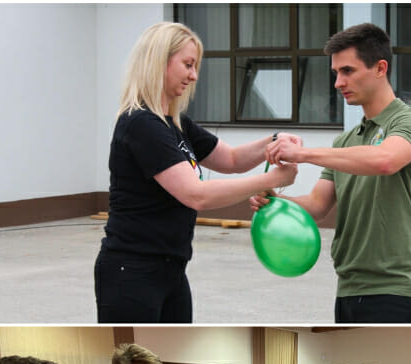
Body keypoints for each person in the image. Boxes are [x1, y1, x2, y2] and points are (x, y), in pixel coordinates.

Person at [97, 22, 299, 323]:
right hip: (132, 271)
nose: (193, 76)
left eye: (195, 66)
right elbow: (196, 195)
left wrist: (275, 141)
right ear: (158, 61)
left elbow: (230, 158)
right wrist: (273, 179)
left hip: (172, 269)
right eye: (188, 65)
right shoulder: (139, 123)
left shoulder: (175, 124)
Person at [257, 23, 411, 323]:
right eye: (336, 73)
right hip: (350, 286)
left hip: (398, 287)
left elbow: (385, 160)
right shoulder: (344, 142)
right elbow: (318, 204)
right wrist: (276, 202)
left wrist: (302, 154)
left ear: (380, 68)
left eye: (348, 71)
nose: (338, 83)